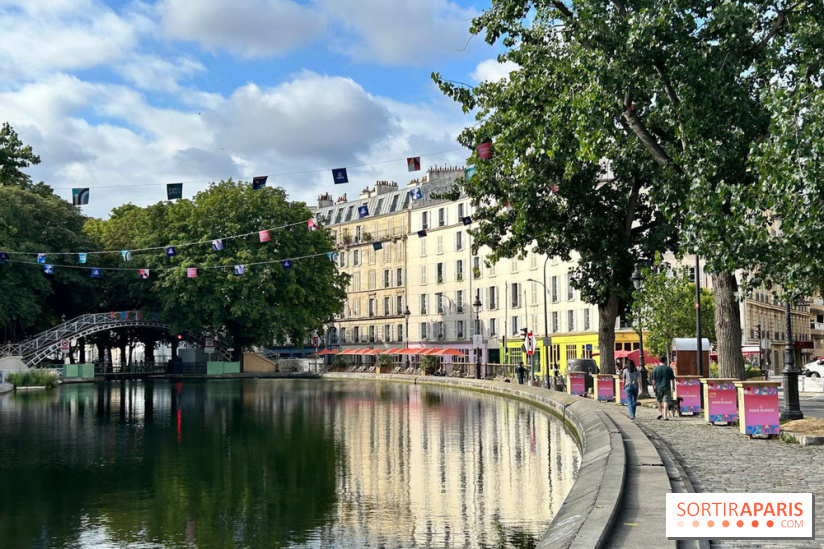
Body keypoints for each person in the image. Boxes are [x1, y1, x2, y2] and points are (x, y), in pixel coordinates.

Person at [651, 355, 676, 420]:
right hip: (667, 387)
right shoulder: (668, 369)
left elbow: (653, 380)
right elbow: (672, 379)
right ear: (665, 361)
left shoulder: (655, 369)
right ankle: (665, 416)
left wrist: (653, 386)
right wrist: (673, 387)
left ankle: (660, 413)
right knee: (666, 401)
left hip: (658, 388)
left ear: (659, 361)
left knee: (659, 401)